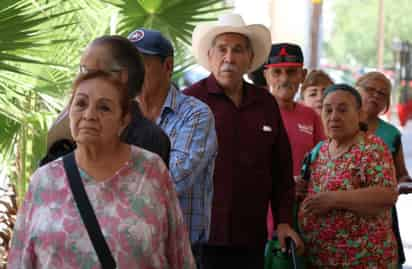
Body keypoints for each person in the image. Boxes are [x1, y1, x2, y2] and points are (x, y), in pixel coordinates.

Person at [8, 70, 195, 268]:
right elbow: (20, 259)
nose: (89, 115)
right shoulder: (44, 180)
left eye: (104, 108)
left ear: (123, 121)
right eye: (80, 104)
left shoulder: (151, 170)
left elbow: (179, 254)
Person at [184, 13, 303, 268]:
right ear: (210, 56)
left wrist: (283, 221)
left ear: (250, 58)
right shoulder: (190, 101)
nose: (229, 58)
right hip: (199, 239)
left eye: (238, 50)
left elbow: (281, 168)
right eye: (222, 49)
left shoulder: (265, 103)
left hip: (250, 237)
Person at [127, 28, 218, 245]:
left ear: (168, 66)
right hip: (128, 247)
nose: (130, 73)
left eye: (140, 64)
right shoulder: (118, 112)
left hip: (179, 249)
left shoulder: (196, 114)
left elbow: (173, 181)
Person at [298, 84, 398, 268]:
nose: (334, 116)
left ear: (360, 114)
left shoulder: (372, 148)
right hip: (321, 259)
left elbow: (387, 195)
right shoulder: (319, 150)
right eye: (328, 110)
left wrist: (334, 199)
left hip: (364, 260)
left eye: (343, 110)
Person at [46, 36, 171, 166]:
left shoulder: (149, 140)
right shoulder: (74, 120)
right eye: (80, 70)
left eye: (87, 71)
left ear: (120, 77)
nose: (80, 79)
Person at [263, 43, 325, 237]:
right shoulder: (256, 111)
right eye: (277, 72)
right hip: (262, 217)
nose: (284, 79)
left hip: (304, 216)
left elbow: (323, 162)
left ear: (303, 75)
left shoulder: (311, 116)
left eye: (291, 72)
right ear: (266, 75)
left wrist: (308, 182)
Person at [356, 71, 412, 267]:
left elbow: (402, 174)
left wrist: (404, 183)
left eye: (382, 93)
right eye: (370, 89)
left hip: (381, 214)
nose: (375, 96)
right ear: (356, 89)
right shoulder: (337, 123)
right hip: (340, 213)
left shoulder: (392, 134)